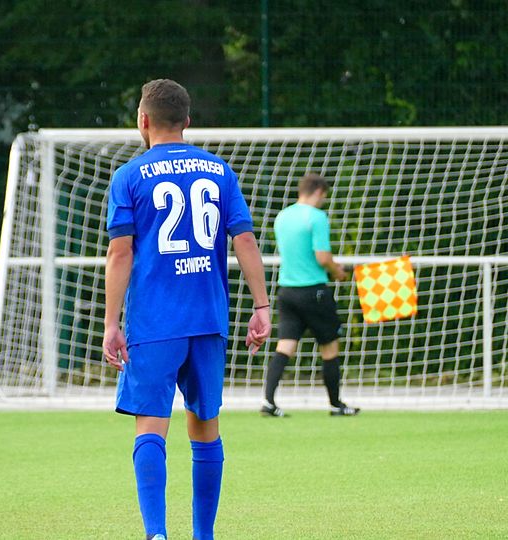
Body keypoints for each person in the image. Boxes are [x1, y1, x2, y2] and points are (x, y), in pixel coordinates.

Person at [103, 78, 271, 540]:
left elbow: (120, 253)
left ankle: (157, 534)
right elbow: (245, 240)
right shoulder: (219, 171)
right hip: (208, 318)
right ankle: (204, 536)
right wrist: (261, 305)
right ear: (187, 121)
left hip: (155, 321)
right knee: (205, 427)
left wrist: (112, 323)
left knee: (151, 425)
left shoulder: (130, 176)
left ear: (143, 121)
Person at [261, 173, 358, 417]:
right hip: (314, 291)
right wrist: (338, 271)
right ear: (318, 192)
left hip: (287, 291)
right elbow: (322, 257)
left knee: (285, 346)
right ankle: (336, 405)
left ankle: (269, 402)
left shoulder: (282, 216)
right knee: (330, 347)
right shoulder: (316, 217)